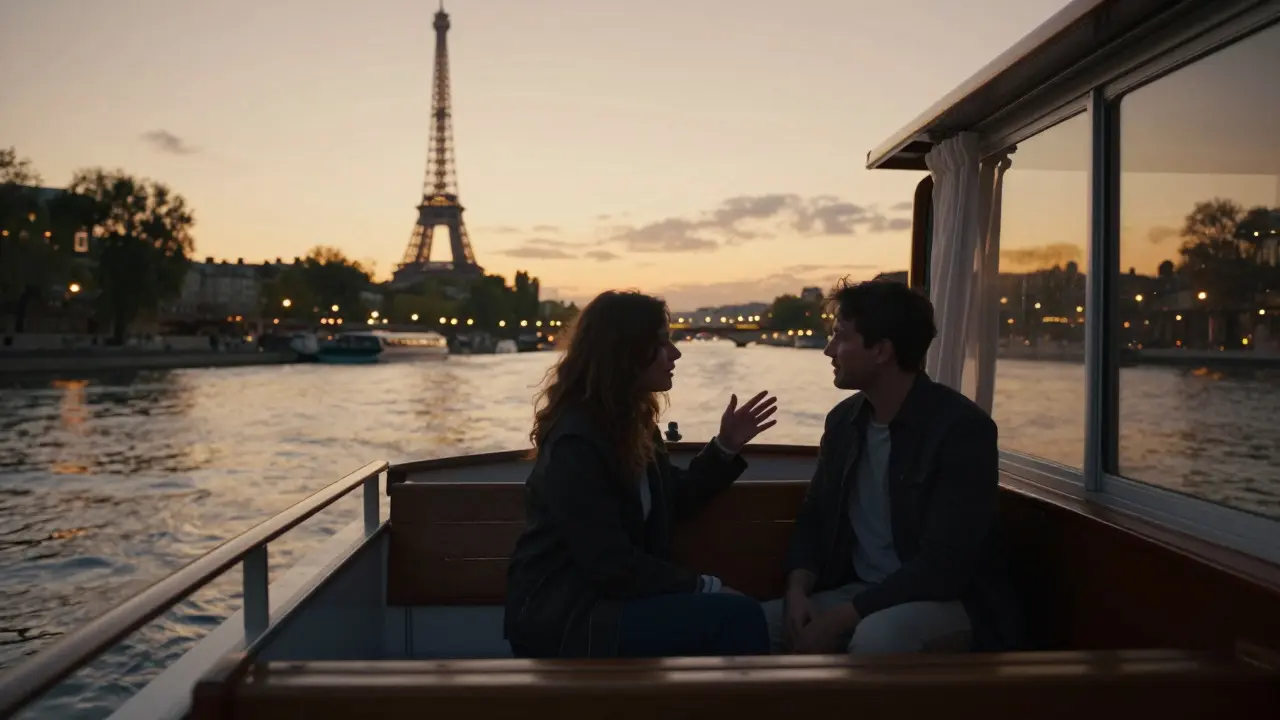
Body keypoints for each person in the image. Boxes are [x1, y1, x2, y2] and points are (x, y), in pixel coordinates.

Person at [503, 290, 779, 659]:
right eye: (663, 342)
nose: (676, 353)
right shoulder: (577, 441)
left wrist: (726, 446)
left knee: (737, 616)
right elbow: (607, 563)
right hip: (569, 620)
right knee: (738, 617)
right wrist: (705, 586)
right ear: (627, 352)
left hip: (605, 607)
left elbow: (672, 501)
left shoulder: (629, 426)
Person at [762, 279, 1024, 655]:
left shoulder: (961, 430)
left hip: (952, 601)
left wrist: (839, 618)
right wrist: (797, 592)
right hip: (860, 594)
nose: (829, 350)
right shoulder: (843, 423)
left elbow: (944, 566)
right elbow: (815, 518)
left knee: (878, 638)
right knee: (750, 625)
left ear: (881, 350)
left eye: (840, 337)